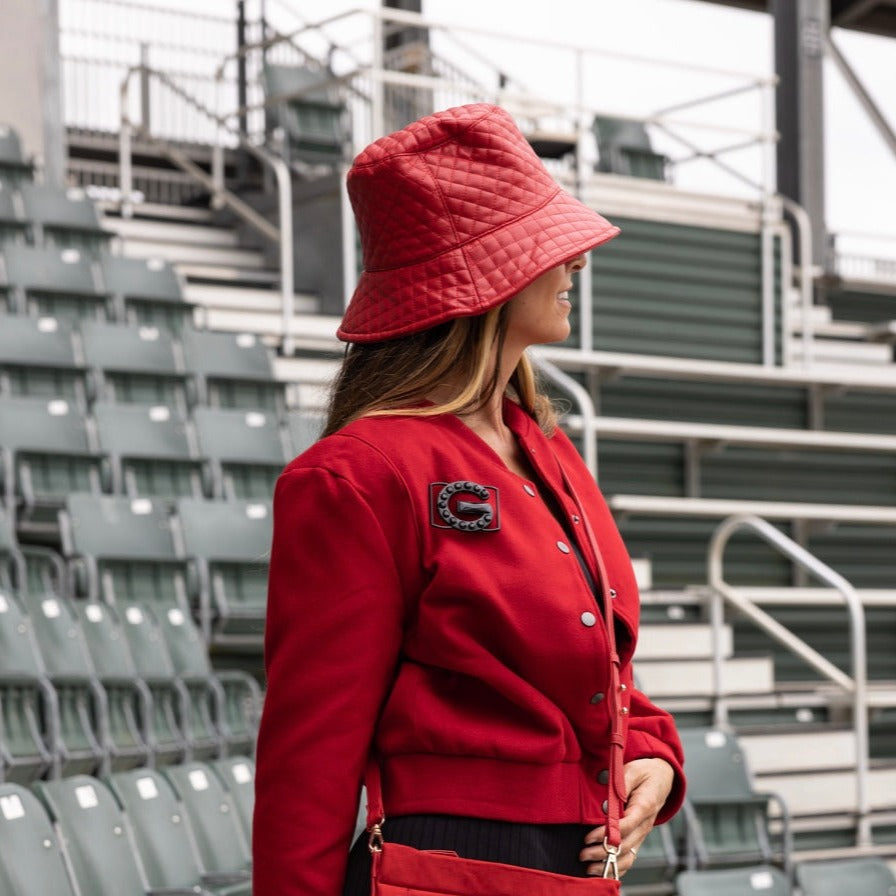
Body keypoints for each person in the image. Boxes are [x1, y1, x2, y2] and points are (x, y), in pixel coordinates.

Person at [253, 103, 685, 896]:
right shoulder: (357, 475)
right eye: (548, 248)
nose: (576, 265)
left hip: (570, 872)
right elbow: (307, 764)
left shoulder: (546, 447)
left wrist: (653, 751)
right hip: (447, 871)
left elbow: (587, 664)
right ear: (484, 280)